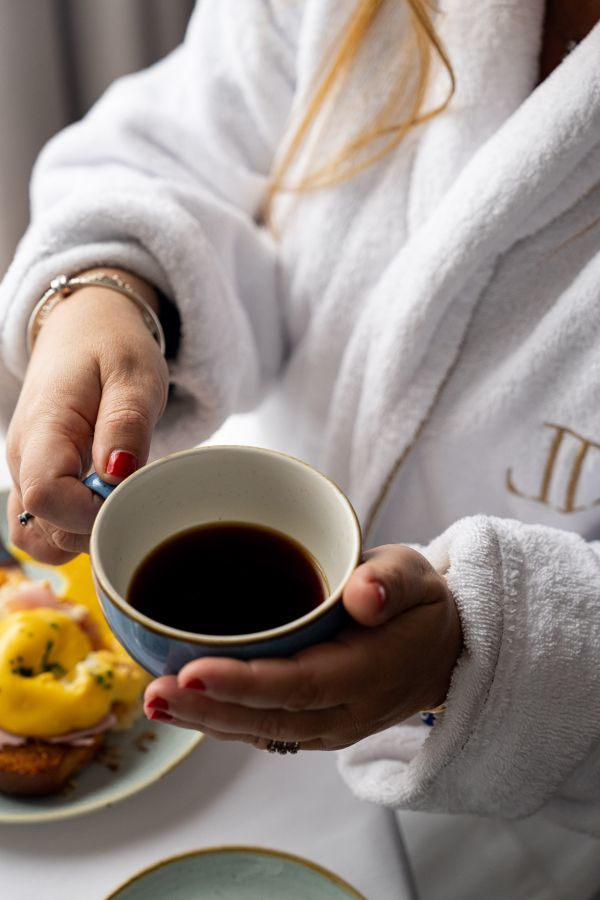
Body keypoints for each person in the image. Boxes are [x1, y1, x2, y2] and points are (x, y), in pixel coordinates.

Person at [1, 0, 600, 896]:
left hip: (513, 828)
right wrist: (111, 282)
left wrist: (495, 654)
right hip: (218, 761)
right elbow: (185, 137)